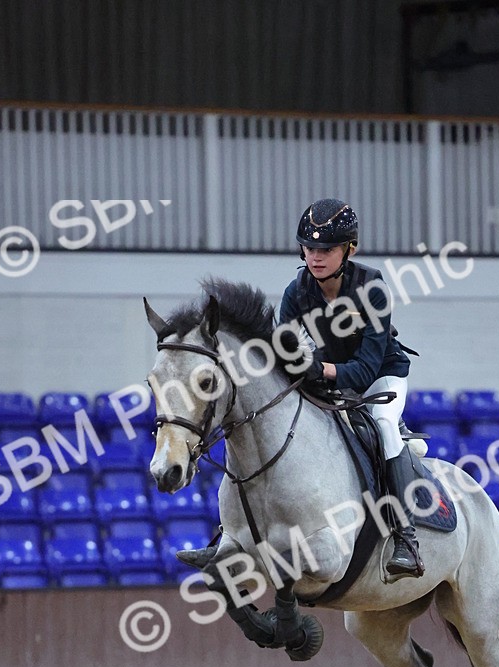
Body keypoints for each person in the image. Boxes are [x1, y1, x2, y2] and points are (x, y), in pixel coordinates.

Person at [179, 197, 425, 578]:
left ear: (350, 249)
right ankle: (232, 537)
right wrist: (297, 368)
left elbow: (363, 370)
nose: (315, 257)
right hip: (326, 379)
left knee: (384, 428)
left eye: (326, 249)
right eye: (309, 248)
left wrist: (318, 368)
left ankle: (405, 537)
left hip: (381, 378)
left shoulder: (372, 288)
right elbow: (287, 356)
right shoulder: (297, 292)